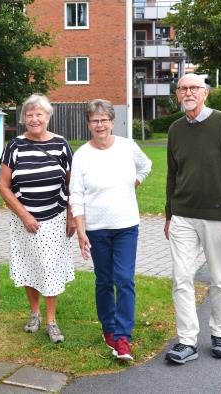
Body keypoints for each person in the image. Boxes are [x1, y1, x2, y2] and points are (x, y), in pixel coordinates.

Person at [163, 73, 221, 364]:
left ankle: (220, 333)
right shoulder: (175, 129)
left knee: (220, 277)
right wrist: (168, 214)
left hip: (217, 216)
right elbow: (172, 175)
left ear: (205, 93)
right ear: (177, 95)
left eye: (194, 88)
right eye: (183, 88)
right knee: (181, 278)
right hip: (183, 216)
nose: (188, 93)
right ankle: (187, 341)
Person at [69, 99, 152, 361]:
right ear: (88, 124)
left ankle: (124, 336)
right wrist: (81, 231)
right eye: (95, 120)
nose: (100, 124)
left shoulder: (127, 147)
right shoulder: (82, 155)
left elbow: (146, 166)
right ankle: (109, 330)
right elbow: (76, 195)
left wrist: (133, 185)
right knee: (104, 280)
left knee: (124, 279)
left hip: (126, 226)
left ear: (112, 122)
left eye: (104, 119)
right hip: (96, 229)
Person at [0, 93, 76, 343]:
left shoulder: (61, 144)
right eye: (29, 115)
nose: (34, 119)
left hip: (55, 217)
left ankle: (52, 321)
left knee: (50, 267)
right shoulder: (14, 146)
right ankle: (34, 314)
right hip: (25, 220)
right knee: (30, 265)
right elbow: (3, 186)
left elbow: (72, 184)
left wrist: (71, 217)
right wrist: (24, 216)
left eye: (39, 114)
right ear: (24, 119)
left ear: (48, 117)